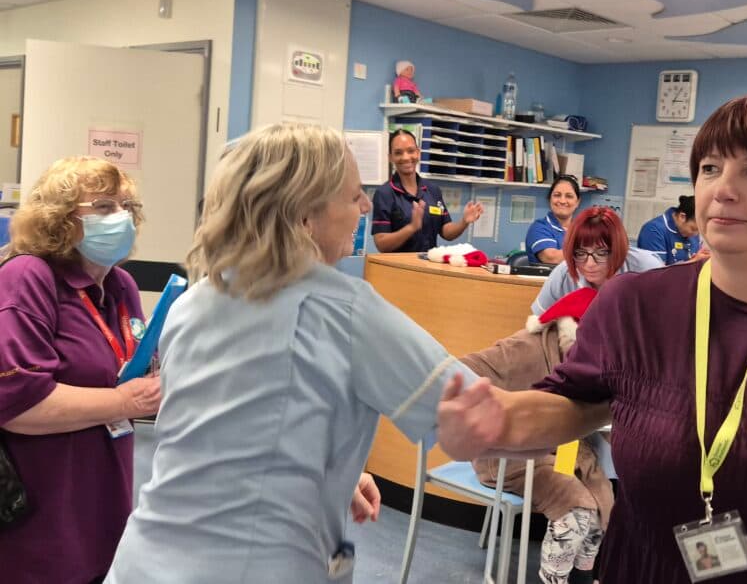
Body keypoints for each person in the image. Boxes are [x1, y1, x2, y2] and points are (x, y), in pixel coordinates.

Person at [436, 95, 747, 583]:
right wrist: (498, 418)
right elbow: (577, 403)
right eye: (710, 168)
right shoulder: (633, 305)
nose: (722, 188)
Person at [107, 123, 489, 584]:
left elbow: (225, 429)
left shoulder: (193, 304)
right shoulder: (346, 311)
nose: (365, 207)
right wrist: (588, 395)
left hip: (146, 563)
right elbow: (484, 417)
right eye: (353, 198)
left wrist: (331, 473)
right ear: (305, 216)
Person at [0, 156, 161, 584]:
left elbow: (124, 364)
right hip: (38, 514)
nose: (122, 218)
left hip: (104, 498)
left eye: (128, 207)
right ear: (60, 220)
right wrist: (124, 400)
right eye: (105, 207)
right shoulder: (27, 277)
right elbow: (18, 405)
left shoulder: (121, 284)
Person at [462, 287, 613, 584]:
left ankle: (581, 578)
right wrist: (501, 418)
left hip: (565, 446)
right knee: (577, 508)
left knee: (604, 502)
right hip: (509, 454)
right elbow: (461, 371)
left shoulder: (591, 358)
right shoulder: (524, 347)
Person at [531, 206, 661, 315]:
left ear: (618, 248)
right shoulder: (563, 275)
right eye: (580, 253)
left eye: (601, 253)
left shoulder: (647, 269)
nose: (590, 264)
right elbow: (538, 324)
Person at [371, 129, 483, 252]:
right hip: (399, 269)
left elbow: (446, 231)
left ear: (418, 153)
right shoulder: (384, 194)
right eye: (398, 153)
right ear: (390, 158)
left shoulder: (433, 190)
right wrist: (411, 228)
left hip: (428, 266)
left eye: (411, 151)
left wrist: (464, 222)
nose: (406, 157)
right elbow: (381, 243)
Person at [525, 175, 582, 263]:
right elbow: (551, 257)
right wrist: (588, 253)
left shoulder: (583, 229)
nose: (562, 201)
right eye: (557, 195)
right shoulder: (539, 227)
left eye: (569, 196)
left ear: (577, 202)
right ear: (549, 199)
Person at [636, 194, 702, 265]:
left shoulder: (692, 233)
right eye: (693, 229)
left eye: (700, 230)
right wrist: (693, 261)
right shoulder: (653, 230)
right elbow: (655, 272)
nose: (695, 234)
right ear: (682, 217)